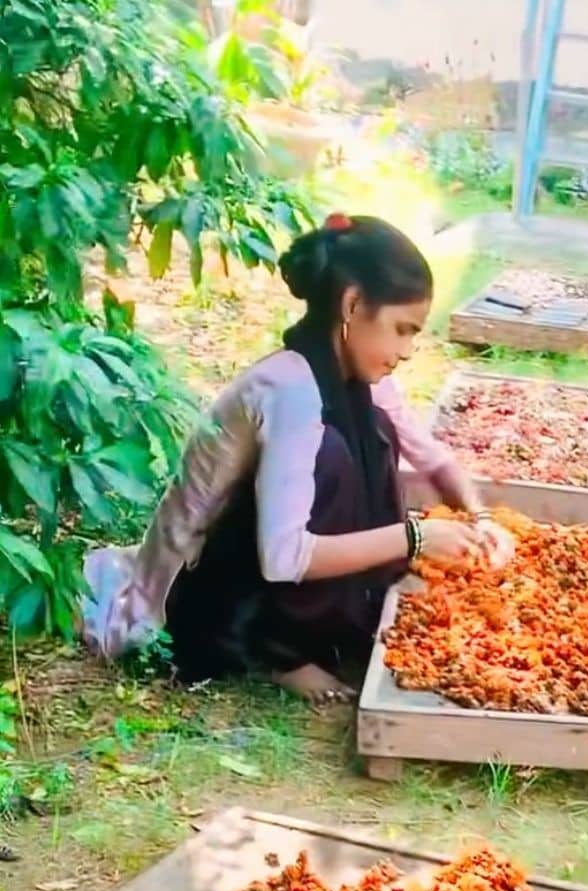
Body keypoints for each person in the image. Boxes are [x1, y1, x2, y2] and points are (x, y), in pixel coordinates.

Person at [82, 214, 513, 703]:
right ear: (352, 305)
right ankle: (276, 652)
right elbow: (283, 556)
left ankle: (337, 616)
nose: (408, 350)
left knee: (378, 432)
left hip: (259, 565)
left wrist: (480, 518)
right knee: (332, 456)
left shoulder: (360, 376)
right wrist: (413, 538)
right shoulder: (290, 390)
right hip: (203, 594)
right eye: (402, 329)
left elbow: (432, 458)